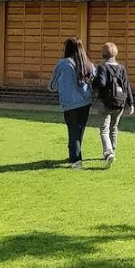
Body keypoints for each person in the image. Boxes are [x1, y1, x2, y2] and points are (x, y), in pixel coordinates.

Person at [49, 37, 96, 169]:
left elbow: (53, 84)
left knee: (73, 131)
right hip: (86, 102)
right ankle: (75, 153)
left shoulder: (63, 64)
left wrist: (56, 86)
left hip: (70, 103)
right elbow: (95, 80)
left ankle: (76, 160)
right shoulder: (89, 64)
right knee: (79, 130)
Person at [91, 42, 135, 166]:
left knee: (104, 130)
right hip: (120, 103)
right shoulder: (122, 68)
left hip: (105, 102)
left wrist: (93, 82)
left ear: (103, 54)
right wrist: (131, 103)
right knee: (114, 128)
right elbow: (126, 86)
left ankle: (108, 152)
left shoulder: (102, 67)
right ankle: (113, 152)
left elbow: (101, 83)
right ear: (115, 54)